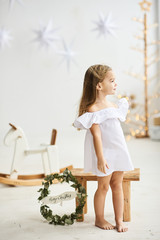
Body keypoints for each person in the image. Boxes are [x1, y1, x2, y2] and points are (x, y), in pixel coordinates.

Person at [73, 64, 134, 232]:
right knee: (104, 186)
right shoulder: (93, 110)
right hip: (105, 153)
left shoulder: (115, 107)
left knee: (117, 185)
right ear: (99, 85)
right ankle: (99, 218)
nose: (115, 84)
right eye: (112, 80)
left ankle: (119, 220)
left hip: (118, 149)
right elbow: (97, 135)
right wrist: (100, 157)